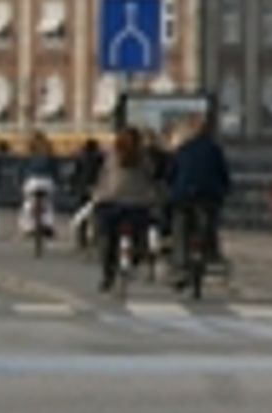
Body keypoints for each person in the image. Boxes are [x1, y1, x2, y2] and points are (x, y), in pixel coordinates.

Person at [91, 127, 165, 291]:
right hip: (137, 205)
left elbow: (102, 177)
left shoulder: (112, 156)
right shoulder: (143, 158)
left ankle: (107, 275)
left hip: (111, 202)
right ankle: (136, 256)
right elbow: (152, 176)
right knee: (141, 235)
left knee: (107, 239)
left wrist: (96, 195)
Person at [165, 114, 233, 284]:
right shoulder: (214, 150)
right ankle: (210, 253)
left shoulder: (183, 149)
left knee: (180, 228)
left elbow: (171, 174)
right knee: (208, 224)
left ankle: (180, 265)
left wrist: (170, 188)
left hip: (183, 196)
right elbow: (223, 174)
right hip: (208, 196)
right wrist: (225, 190)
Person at [17, 133, 59, 240]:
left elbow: (21, 171)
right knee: (48, 203)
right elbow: (55, 172)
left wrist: (20, 184)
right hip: (47, 181)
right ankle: (48, 225)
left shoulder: (27, 154)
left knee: (27, 204)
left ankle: (28, 227)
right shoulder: (50, 155)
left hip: (32, 181)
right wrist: (58, 183)